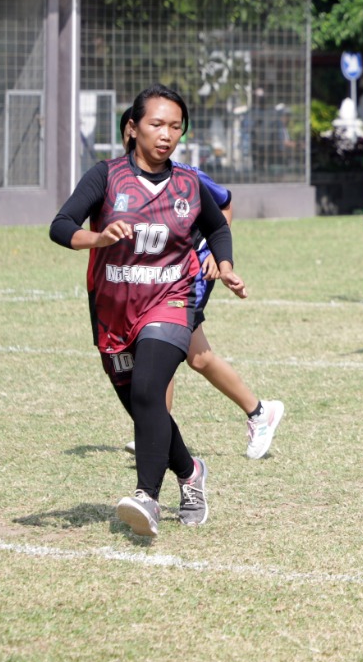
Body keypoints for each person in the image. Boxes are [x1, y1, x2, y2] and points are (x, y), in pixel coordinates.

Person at [51, 84, 245, 537]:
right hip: (113, 312)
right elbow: (61, 226)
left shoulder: (189, 184)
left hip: (171, 302)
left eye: (175, 126)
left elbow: (218, 228)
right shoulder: (106, 176)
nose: (166, 135)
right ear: (133, 127)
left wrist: (226, 264)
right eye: (157, 124)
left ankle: (147, 498)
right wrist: (97, 239)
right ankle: (190, 472)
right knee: (144, 407)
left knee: (149, 387)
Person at [114, 111, 284, 461]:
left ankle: (159, 429)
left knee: (163, 344)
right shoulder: (124, 180)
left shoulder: (188, 175)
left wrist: (213, 252)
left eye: (166, 128)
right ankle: (256, 411)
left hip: (192, 273)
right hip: (161, 277)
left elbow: (224, 205)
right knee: (196, 356)